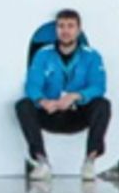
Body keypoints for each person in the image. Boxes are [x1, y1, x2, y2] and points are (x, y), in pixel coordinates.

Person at [17, 9, 111, 181]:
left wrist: (76, 96)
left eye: (70, 26)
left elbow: (98, 86)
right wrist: (42, 101)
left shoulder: (92, 56)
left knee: (102, 104)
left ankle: (90, 161)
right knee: (23, 105)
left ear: (79, 30)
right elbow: (32, 85)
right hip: (50, 112)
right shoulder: (43, 54)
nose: (65, 31)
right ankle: (41, 161)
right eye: (61, 26)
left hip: (78, 112)